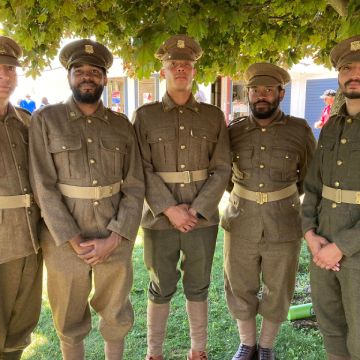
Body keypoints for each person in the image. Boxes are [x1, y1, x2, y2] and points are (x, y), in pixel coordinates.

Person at [29, 39, 144, 360]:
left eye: (94, 71)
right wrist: (72, 238)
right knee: (68, 318)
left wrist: (117, 236)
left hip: (113, 235)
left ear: (105, 79)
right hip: (63, 239)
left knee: (116, 313)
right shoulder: (46, 120)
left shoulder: (122, 125)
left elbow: (134, 185)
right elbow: (43, 185)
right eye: (79, 71)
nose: (87, 76)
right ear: (69, 77)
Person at [133, 34, 231, 360]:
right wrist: (169, 209)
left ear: (193, 71)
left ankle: (198, 351)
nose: (180, 69)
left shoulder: (213, 116)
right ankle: (154, 353)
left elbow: (222, 168)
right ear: (163, 71)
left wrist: (198, 210)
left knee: (199, 285)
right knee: (160, 287)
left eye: (186, 64)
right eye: (173, 64)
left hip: (201, 220)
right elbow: (141, 169)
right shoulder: (145, 116)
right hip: (160, 220)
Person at [221, 63, 316, 360]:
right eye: (255, 90)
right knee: (239, 284)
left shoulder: (299, 130)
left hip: (284, 221)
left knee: (279, 285)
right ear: (247, 94)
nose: (261, 96)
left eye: (268, 90)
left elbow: (309, 177)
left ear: (281, 94)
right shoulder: (233, 131)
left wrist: (278, 197)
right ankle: (247, 344)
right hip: (241, 219)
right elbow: (224, 176)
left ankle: (266, 347)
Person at [302, 35, 360, 360]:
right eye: (347, 67)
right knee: (331, 329)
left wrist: (342, 246)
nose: (354, 73)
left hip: (355, 251)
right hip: (322, 246)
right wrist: (310, 235)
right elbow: (313, 186)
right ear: (339, 76)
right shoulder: (331, 127)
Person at [0, 36, 42, 360]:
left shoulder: (27, 124)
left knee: (20, 328)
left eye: (10, 69)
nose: (5, 76)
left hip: (29, 242)